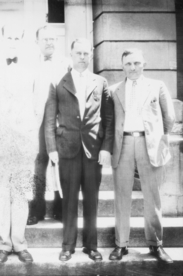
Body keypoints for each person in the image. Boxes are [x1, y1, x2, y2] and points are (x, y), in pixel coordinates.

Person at [44, 38, 114, 262]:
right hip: (67, 149)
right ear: (71, 55)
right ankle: (67, 245)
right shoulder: (58, 82)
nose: (82, 57)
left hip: (93, 150)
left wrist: (106, 148)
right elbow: (49, 120)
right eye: (78, 53)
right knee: (69, 200)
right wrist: (52, 148)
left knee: (92, 200)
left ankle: (91, 246)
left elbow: (109, 120)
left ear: (91, 54)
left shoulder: (101, 82)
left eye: (86, 53)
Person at [108, 48, 175, 264]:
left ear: (144, 63)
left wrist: (156, 137)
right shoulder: (113, 90)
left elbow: (169, 118)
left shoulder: (157, 86)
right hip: (124, 143)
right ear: (122, 66)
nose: (133, 67)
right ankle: (121, 244)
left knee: (152, 195)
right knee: (121, 195)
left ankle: (155, 244)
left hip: (150, 144)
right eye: (128, 64)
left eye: (137, 63)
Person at [0, 24, 37, 263]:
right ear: (2, 40)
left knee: (21, 193)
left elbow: (38, 108)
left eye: (16, 37)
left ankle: (20, 243)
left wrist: (31, 136)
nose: (12, 41)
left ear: (22, 41)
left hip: (23, 143)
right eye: (9, 37)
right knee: (1, 195)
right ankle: (3, 244)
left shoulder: (32, 71)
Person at [28, 24, 69, 226]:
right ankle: (37, 209)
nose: (49, 42)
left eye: (52, 39)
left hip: (61, 121)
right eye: (44, 39)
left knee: (61, 163)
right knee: (39, 165)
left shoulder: (66, 64)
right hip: (38, 121)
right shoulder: (28, 64)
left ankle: (61, 208)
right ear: (37, 42)